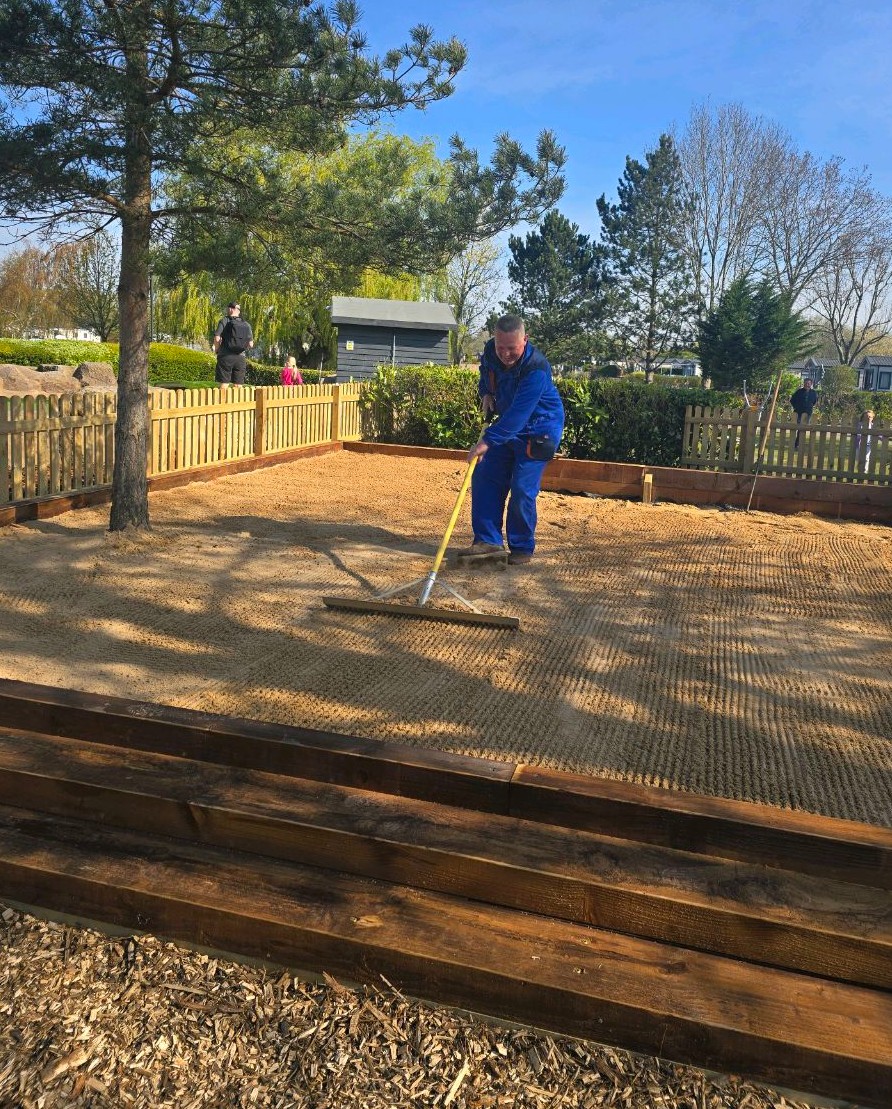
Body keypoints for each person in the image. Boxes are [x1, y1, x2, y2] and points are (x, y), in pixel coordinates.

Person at [460, 314, 564, 566]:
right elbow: (487, 370)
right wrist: (485, 391)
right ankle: (488, 541)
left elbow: (519, 415)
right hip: (508, 426)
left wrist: (487, 440)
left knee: (521, 489)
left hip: (539, 430)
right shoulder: (490, 351)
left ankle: (521, 546)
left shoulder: (536, 369)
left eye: (512, 348)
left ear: (525, 340)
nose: (505, 354)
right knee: (484, 473)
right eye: (500, 347)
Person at [213, 302, 254, 386]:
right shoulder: (246, 324)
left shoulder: (224, 320)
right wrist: (240, 347)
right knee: (238, 385)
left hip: (225, 356)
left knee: (224, 384)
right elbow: (251, 344)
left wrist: (217, 349)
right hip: (240, 357)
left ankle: (223, 399)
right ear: (238, 311)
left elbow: (217, 337)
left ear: (230, 309)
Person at [790, 378, 818, 447]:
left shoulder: (813, 393)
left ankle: (798, 443)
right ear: (804, 384)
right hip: (798, 412)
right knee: (796, 427)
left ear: (811, 384)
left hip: (807, 413)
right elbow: (792, 400)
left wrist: (809, 407)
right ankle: (793, 443)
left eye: (808, 383)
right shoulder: (799, 392)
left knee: (802, 429)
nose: (807, 385)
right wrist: (796, 407)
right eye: (805, 383)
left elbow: (814, 402)